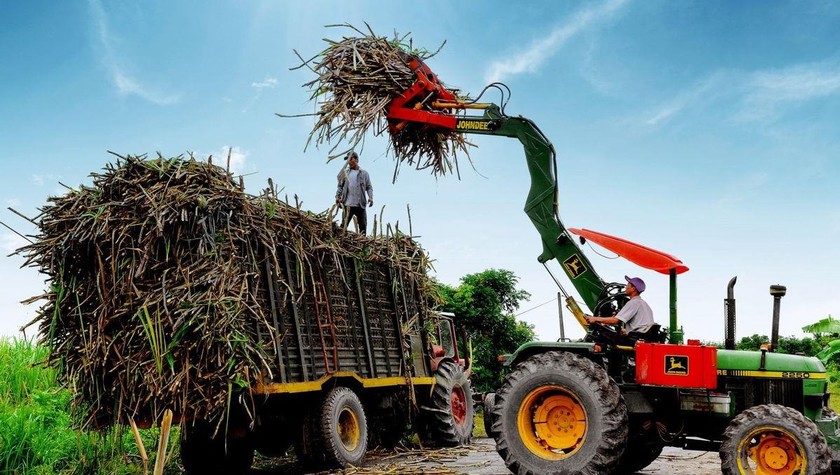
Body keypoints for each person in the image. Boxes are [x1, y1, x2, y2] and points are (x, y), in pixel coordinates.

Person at [585, 276, 654, 333]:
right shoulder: (645, 305)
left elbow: (615, 321)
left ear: (633, 289)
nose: (625, 287)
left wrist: (595, 318)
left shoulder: (633, 303)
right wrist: (625, 331)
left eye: (628, 285)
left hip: (637, 339)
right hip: (643, 337)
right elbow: (641, 326)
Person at [335, 151, 373, 235]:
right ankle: (341, 242)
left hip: (360, 205)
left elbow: (369, 187)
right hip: (348, 204)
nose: (349, 161)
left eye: (351, 159)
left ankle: (363, 246)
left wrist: (370, 197)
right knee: (343, 226)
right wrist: (337, 197)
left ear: (356, 159)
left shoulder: (364, 174)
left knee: (363, 227)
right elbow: (340, 187)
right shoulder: (345, 173)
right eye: (347, 160)